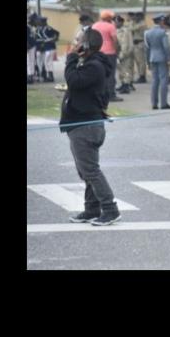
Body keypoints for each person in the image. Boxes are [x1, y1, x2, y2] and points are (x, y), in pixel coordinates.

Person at [60, 28, 121, 226]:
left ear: (85, 45)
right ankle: (91, 208)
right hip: (82, 124)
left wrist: (70, 58)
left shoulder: (94, 66)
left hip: (85, 126)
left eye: (77, 40)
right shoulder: (90, 64)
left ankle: (110, 209)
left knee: (91, 171)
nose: (74, 43)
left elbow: (73, 81)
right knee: (85, 171)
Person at [91, 10, 122, 102]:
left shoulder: (95, 25)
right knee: (110, 74)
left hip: (97, 53)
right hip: (109, 53)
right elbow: (115, 40)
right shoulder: (111, 26)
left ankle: (99, 95)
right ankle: (111, 95)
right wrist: (117, 51)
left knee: (99, 74)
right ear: (109, 18)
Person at [145, 13, 170, 109]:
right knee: (163, 80)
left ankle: (154, 103)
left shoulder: (147, 33)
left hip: (152, 57)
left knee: (154, 81)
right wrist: (169, 58)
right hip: (162, 57)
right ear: (161, 21)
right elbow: (166, 47)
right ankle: (163, 103)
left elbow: (147, 48)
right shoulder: (162, 32)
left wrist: (147, 61)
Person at [114, 14, 135, 94]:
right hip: (118, 53)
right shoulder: (115, 30)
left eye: (116, 22)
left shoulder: (125, 31)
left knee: (126, 70)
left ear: (121, 22)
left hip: (125, 53)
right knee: (120, 70)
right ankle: (123, 84)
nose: (115, 23)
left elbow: (125, 44)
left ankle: (126, 85)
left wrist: (123, 54)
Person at [35, 16, 59, 82]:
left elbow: (57, 33)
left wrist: (54, 39)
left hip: (49, 47)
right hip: (42, 48)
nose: (39, 22)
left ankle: (50, 76)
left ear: (43, 22)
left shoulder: (48, 28)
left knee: (48, 61)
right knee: (43, 62)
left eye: (40, 21)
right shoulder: (39, 29)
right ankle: (44, 75)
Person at [129, 12, 149, 84]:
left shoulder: (142, 24)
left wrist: (131, 22)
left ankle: (142, 76)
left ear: (141, 17)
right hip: (136, 44)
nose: (135, 18)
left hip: (140, 43)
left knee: (141, 61)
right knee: (138, 61)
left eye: (137, 16)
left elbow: (131, 29)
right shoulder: (136, 23)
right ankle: (140, 75)